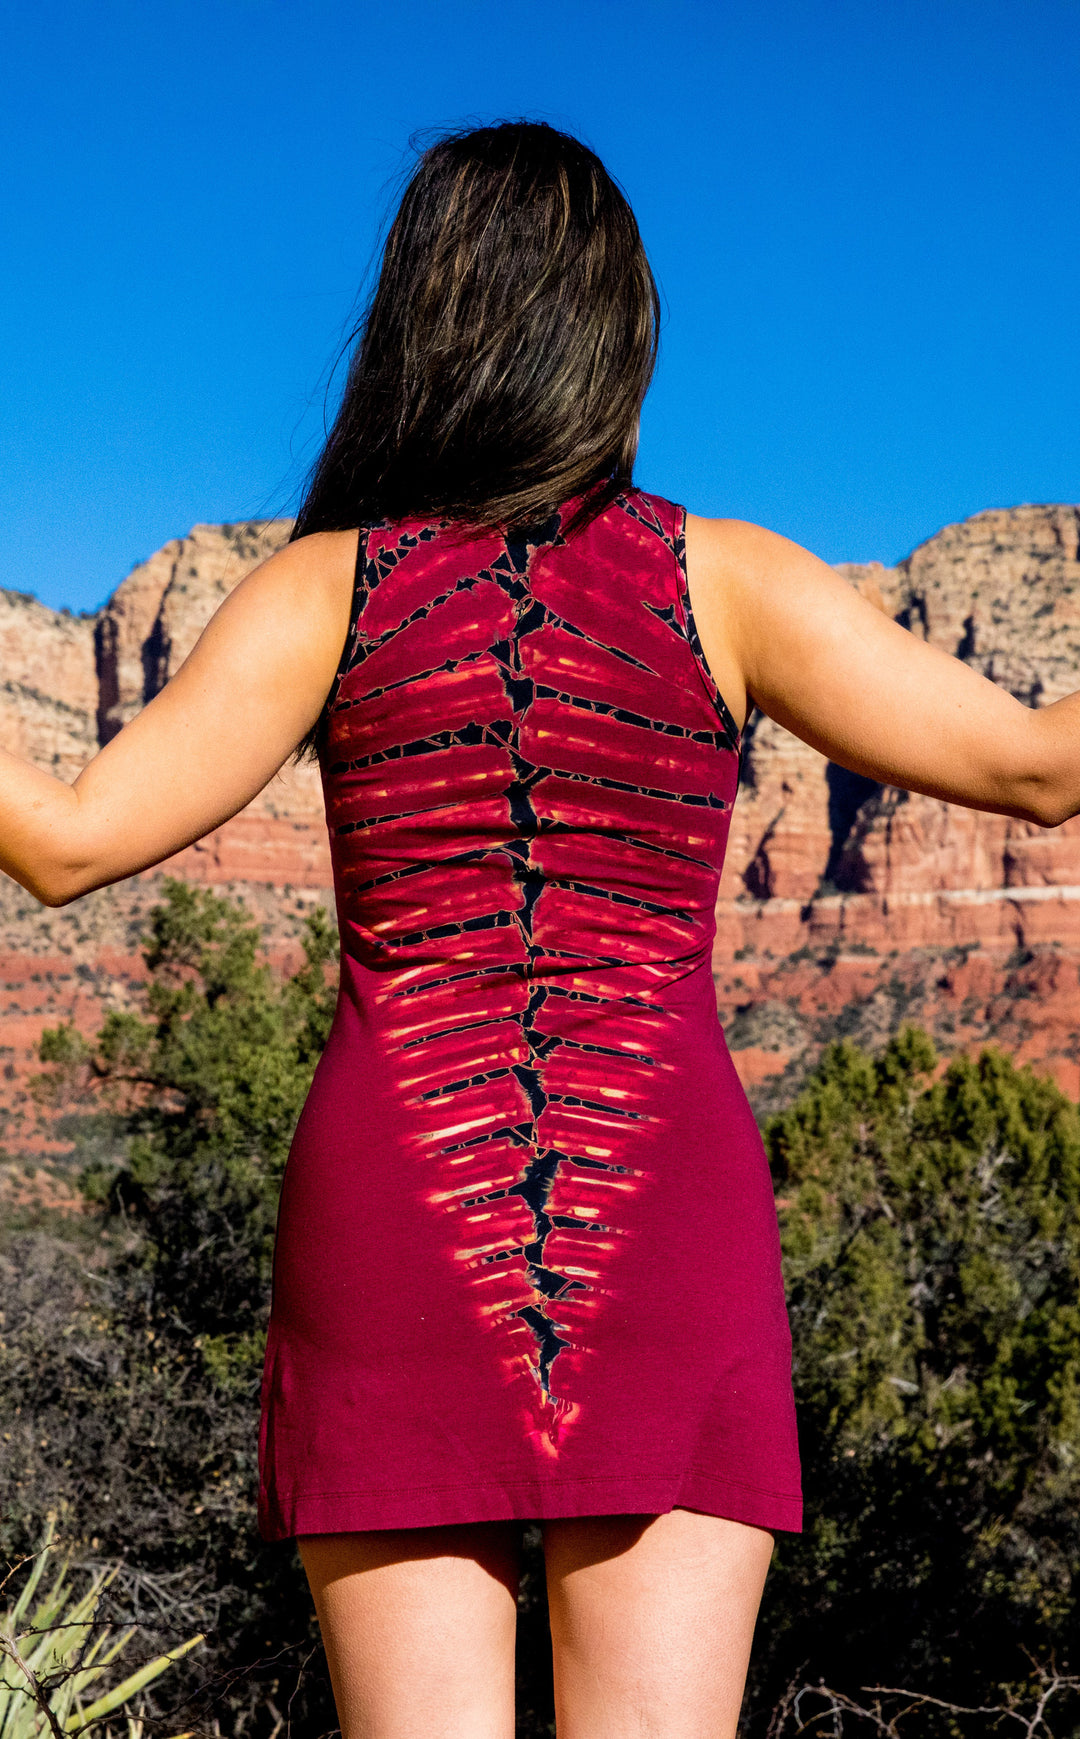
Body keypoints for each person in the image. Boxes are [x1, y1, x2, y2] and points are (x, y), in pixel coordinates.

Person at [1, 119, 1074, 1739]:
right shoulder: (737, 583)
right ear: (619, 334)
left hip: (396, 1215)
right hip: (668, 1225)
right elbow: (1038, 767)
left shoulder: (321, 595)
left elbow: (68, 846)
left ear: (423, 327)